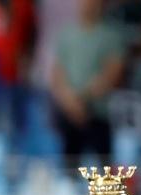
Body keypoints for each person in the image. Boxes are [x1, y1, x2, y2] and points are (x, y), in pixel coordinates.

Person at [50, 0, 124, 161]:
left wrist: (81, 100)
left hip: (98, 115)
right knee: (69, 166)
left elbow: (112, 74)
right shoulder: (67, 34)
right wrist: (70, 103)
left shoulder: (111, 36)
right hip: (69, 114)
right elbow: (57, 73)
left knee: (104, 168)